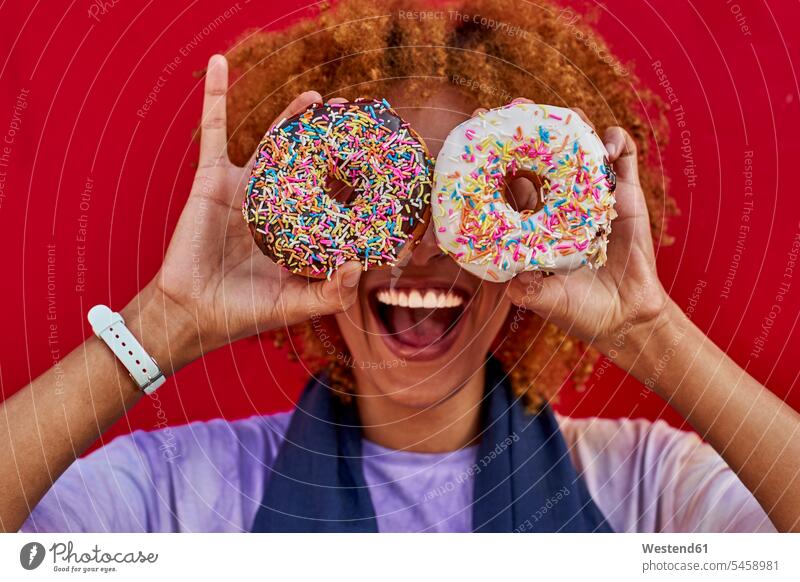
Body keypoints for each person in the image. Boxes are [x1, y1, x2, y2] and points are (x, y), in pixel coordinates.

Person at [2, 0, 798, 533]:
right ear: (308, 222)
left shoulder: (647, 490)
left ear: (541, 232)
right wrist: (164, 323)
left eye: (465, 191)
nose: (422, 244)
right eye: (387, 193)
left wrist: (650, 333)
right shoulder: (183, 490)